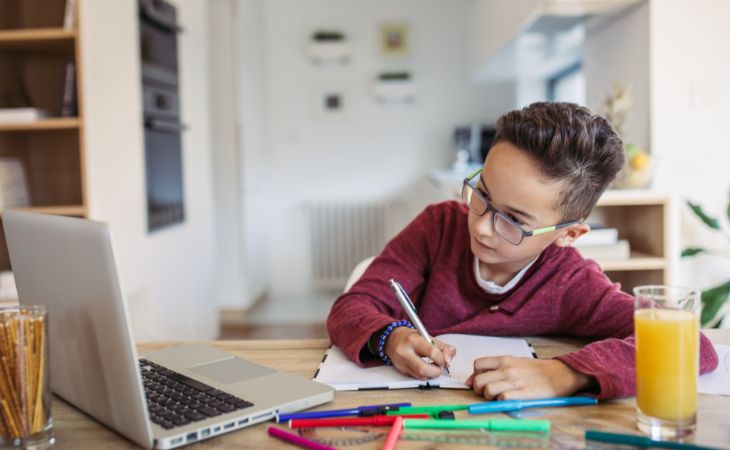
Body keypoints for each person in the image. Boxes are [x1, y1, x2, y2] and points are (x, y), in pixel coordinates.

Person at [326, 102, 718, 400]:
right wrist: (389, 338)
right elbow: (352, 307)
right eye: (482, 194)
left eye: (512, 219)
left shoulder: (570, 281)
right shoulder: (439, 227)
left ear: (569, 234)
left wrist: (565, 374)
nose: (479, 225)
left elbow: (688, 343)